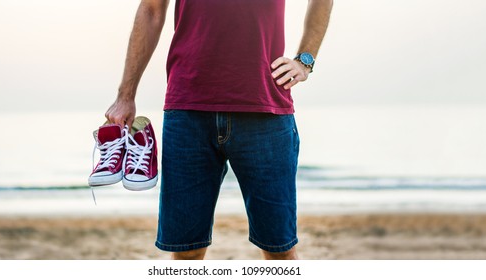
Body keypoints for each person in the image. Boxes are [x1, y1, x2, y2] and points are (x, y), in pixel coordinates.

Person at [105, 0, 333, 260]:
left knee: (279, 250)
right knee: (186, 253)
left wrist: (305, 59)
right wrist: (126, 95)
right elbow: (151, 10)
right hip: (188, 112)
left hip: (265, 111)